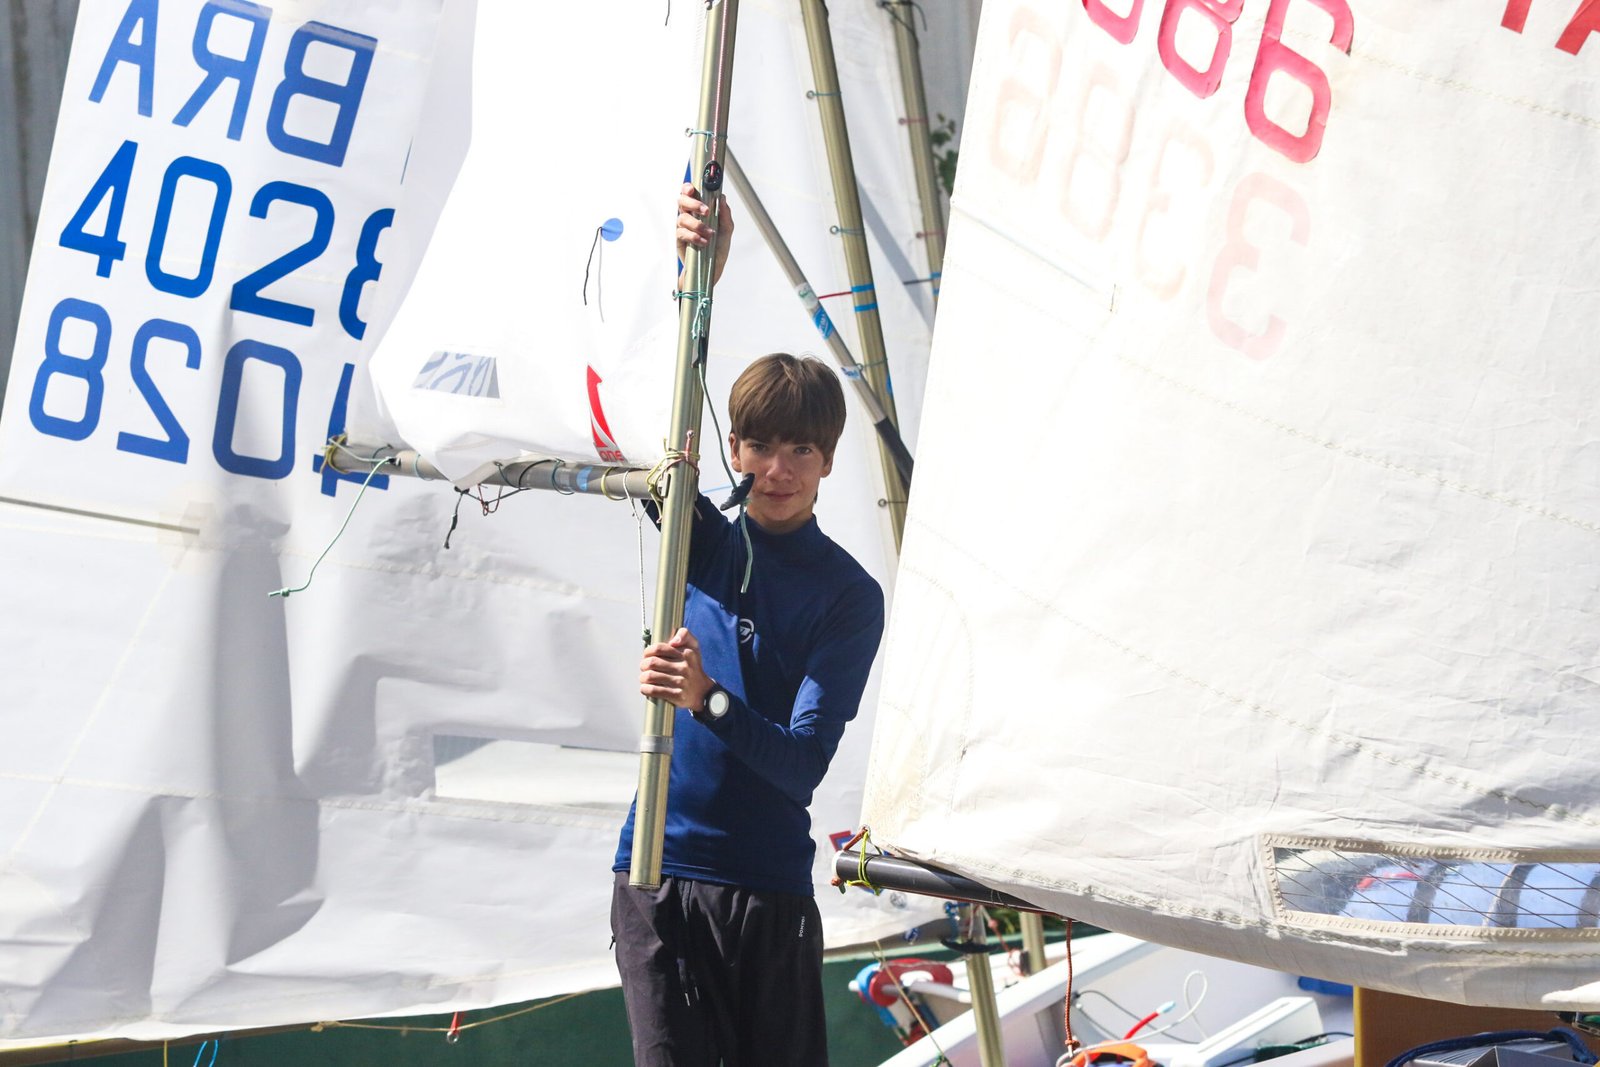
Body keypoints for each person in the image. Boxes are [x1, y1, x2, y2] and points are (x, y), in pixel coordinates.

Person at [610, 186, 886, 1066]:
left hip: (765, 890)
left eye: (800, 449)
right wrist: (701, 279)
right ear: (734, 449)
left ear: (828, 461)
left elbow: (802, 764)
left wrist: (707, 697)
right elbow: (657, 419)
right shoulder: (701, 541)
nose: (777, 468)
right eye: (759, 445)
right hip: (656, 872)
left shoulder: (849, 596)